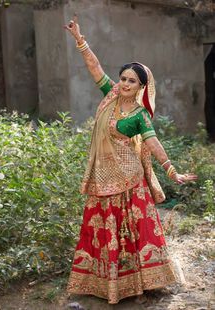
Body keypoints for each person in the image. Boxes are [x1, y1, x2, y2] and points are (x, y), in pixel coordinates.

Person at [64, 15, 197, 305]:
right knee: (103, 230)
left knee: (138, 231)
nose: (124, 83)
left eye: (131, 81)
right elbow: (94, 68)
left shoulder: (140, 116)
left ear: (141, 87)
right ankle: (105, 285)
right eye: (123, 78)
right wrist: (80, 40)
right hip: (103, 180)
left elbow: (153, 143)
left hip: (130, 181)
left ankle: (148, 283)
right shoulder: (110, 95)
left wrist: (171, 171)